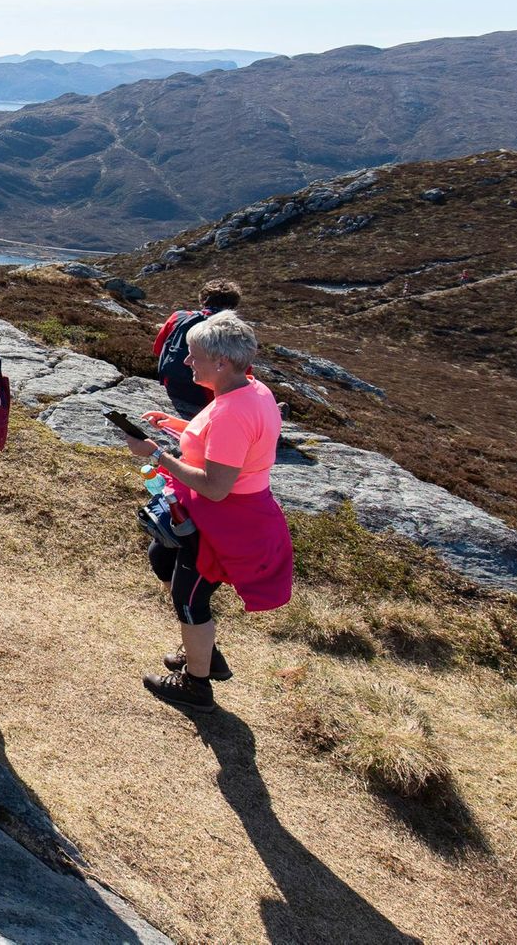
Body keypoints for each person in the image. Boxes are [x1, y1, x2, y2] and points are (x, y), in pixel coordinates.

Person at [124, 311, 294, 713]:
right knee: (161, 558)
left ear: (220, 362)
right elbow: (221, 440)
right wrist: (177, 426)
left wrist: (158, 455)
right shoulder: (250, 390)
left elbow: (217, 487)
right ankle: (202, 651)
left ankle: (196, 685)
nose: (185, 362)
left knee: (189, 599)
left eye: (193, 355)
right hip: (214, 515)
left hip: (224, 523)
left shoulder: (233, 411)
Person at [153, 278, 242, 418]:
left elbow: (158, 349)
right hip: (206, 396)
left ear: (203, 299)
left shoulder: (178, 317)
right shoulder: (233, 329)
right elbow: (240, 370)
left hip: (171, 384)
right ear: (233, 305)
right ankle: (272, 412)